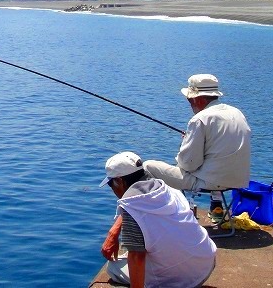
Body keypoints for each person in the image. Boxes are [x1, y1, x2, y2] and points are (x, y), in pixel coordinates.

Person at [100, 151, 216, 288]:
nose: (112, 189)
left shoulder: (132, 210)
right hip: (207, 263)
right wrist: (114, 231)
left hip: (184, 281)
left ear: (119, 181)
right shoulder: (167, 189)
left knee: (113, 267)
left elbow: (136, 257)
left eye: (110, 184)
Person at [143, 74, 251, 219]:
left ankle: (160, 217)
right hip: (238, 180)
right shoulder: (236, 113)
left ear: (198, 99)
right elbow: (220, 146)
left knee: (148, 166)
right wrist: (194, 140)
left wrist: (186, 143)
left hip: (212, 182)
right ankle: (216, 206)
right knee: (214, 162)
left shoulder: (200, 119)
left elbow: (188, 164)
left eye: (189, 100)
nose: (189, 103)